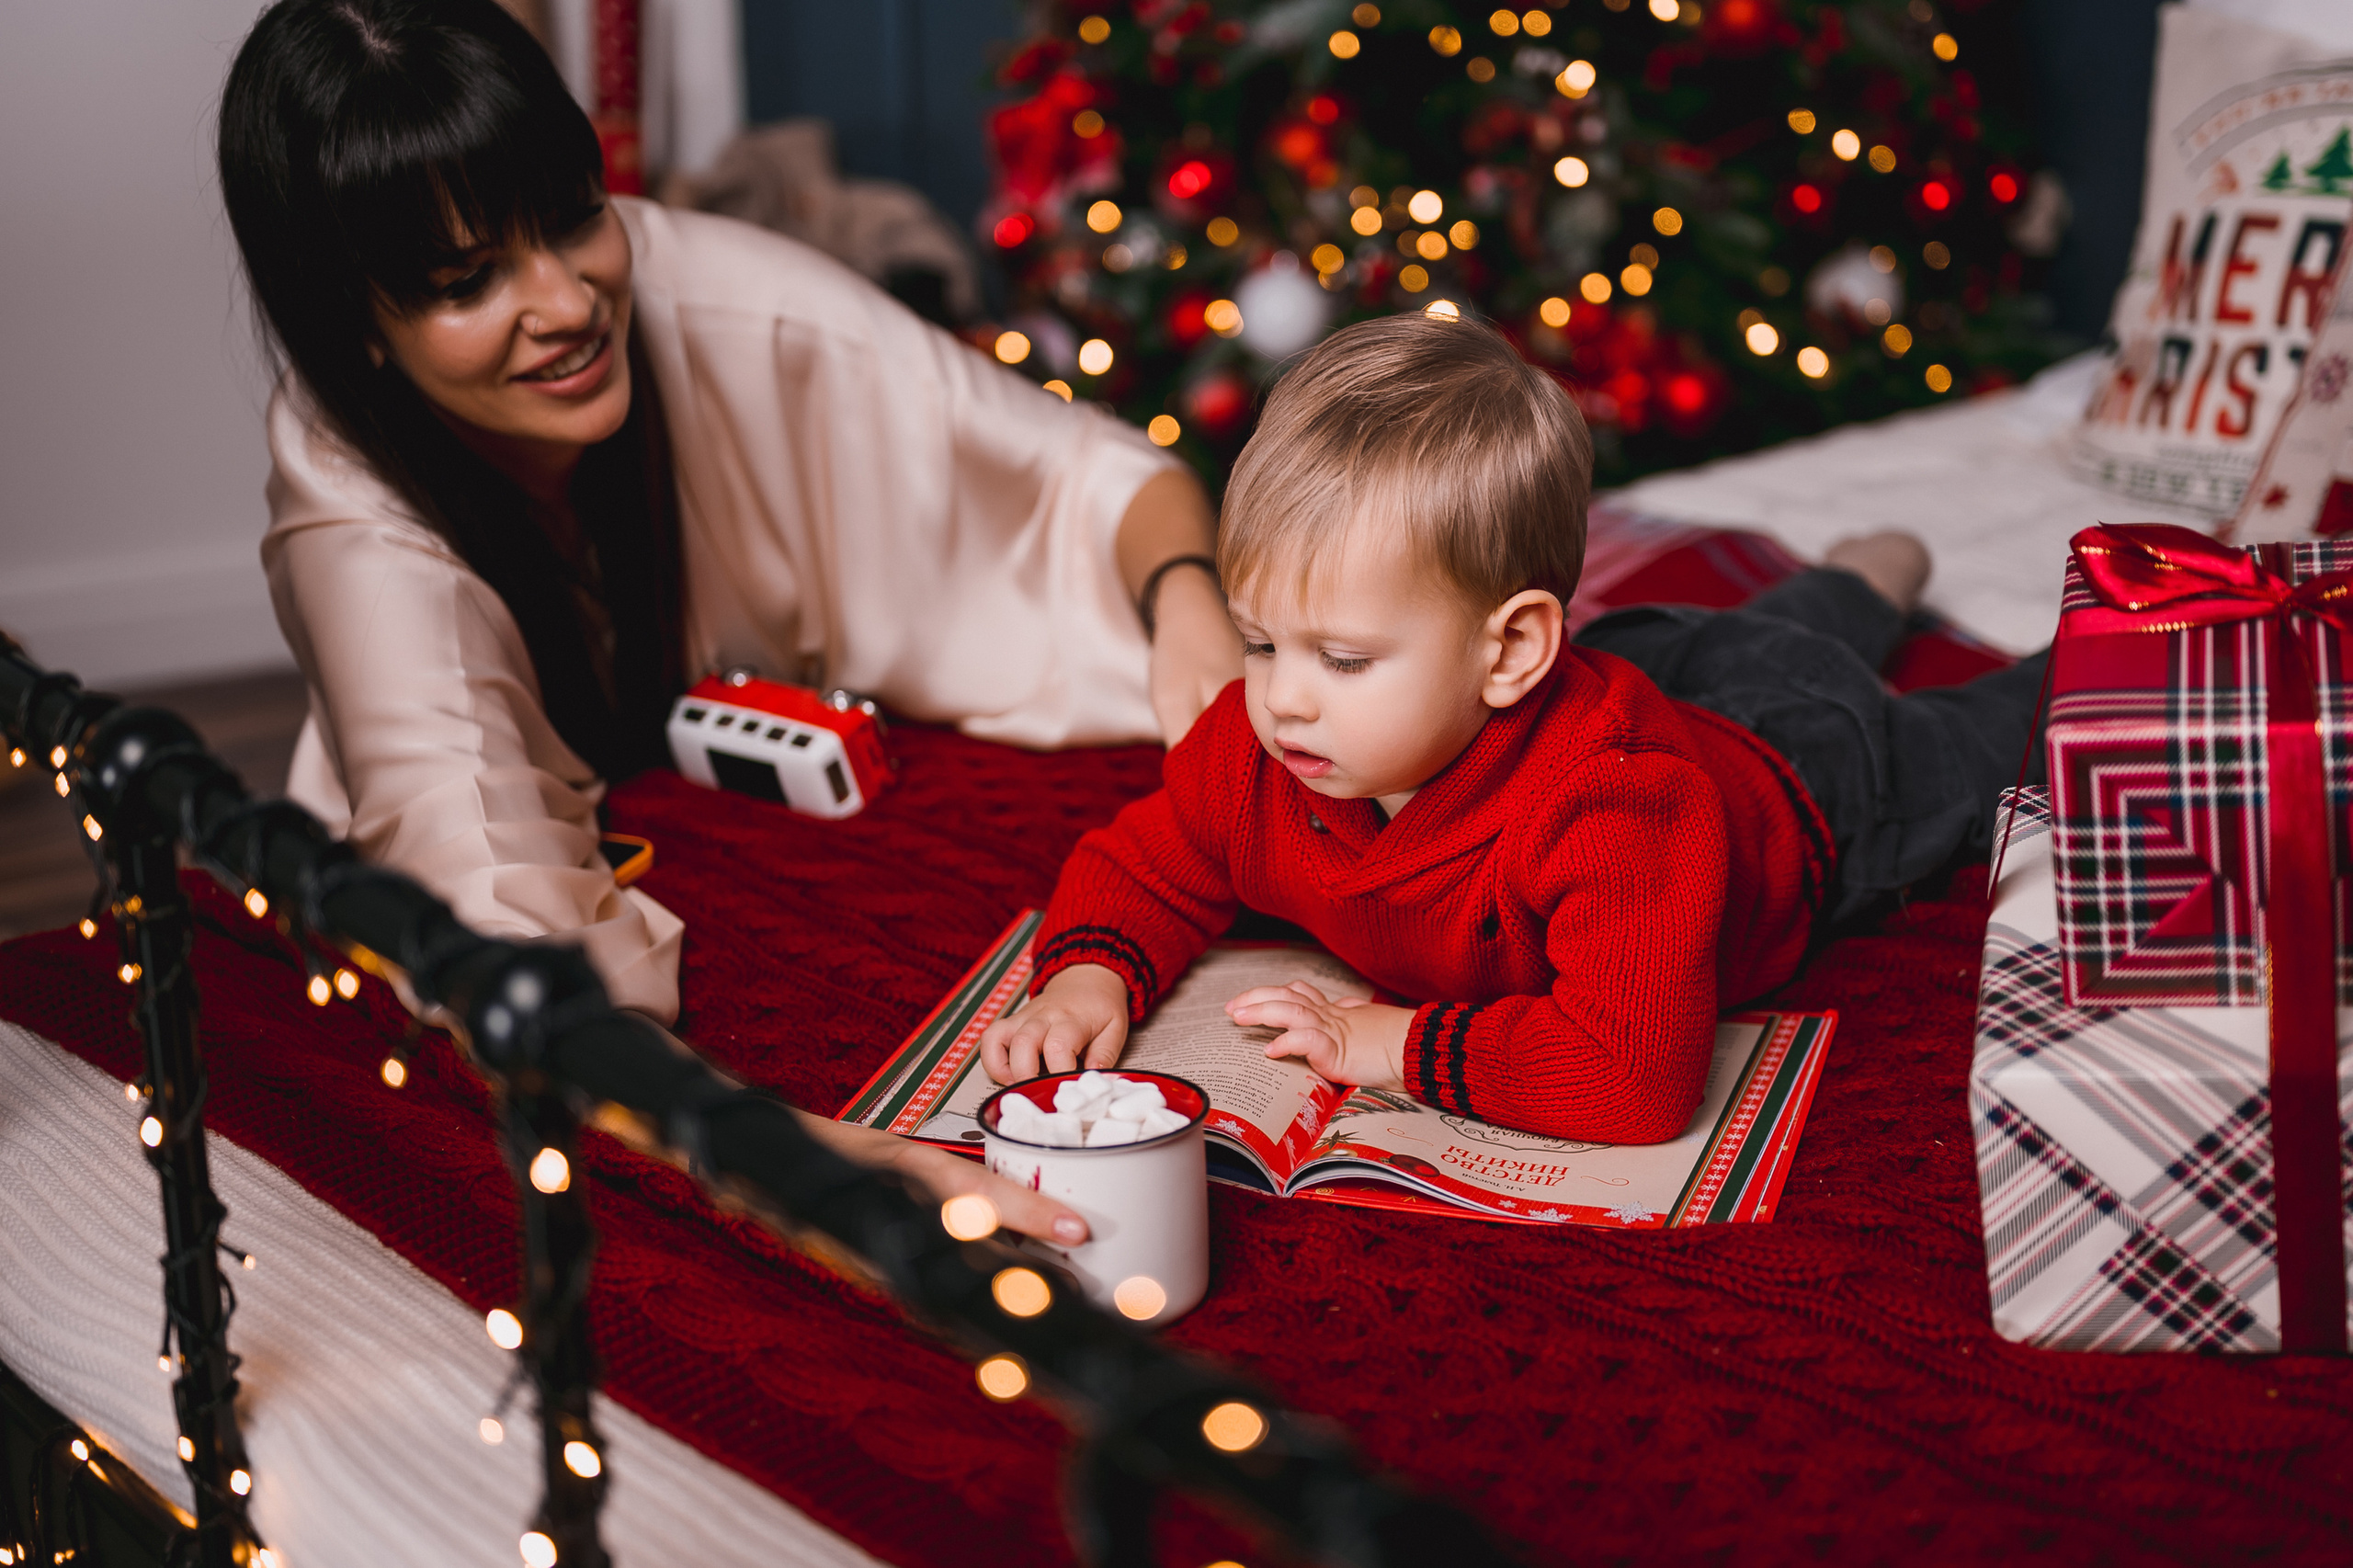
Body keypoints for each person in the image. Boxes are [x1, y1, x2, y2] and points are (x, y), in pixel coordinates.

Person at [217, 0, 1243, 1240]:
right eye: (468, 280)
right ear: (356, 330)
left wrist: (1187, 604)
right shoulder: (349, 505)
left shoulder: (711, 287)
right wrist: (798, 1156)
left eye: (570, 219)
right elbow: (492, 917)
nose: (563, 301)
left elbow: (1086, 472)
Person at [981, 313, 2046, 1142]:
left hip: (1807, 778)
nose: (1282, 697)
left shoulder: (1615, 807)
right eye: (1260, 640)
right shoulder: (1260, 745)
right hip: (1669, 669)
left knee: (1990, 723)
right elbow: (1151, 861)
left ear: (1507, 653)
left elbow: (1632, 1077)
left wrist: (1388, 1039)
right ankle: (1865, 572)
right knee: (1776, 632)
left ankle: (1899, 586)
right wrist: (1088, 972)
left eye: (1342, 658)